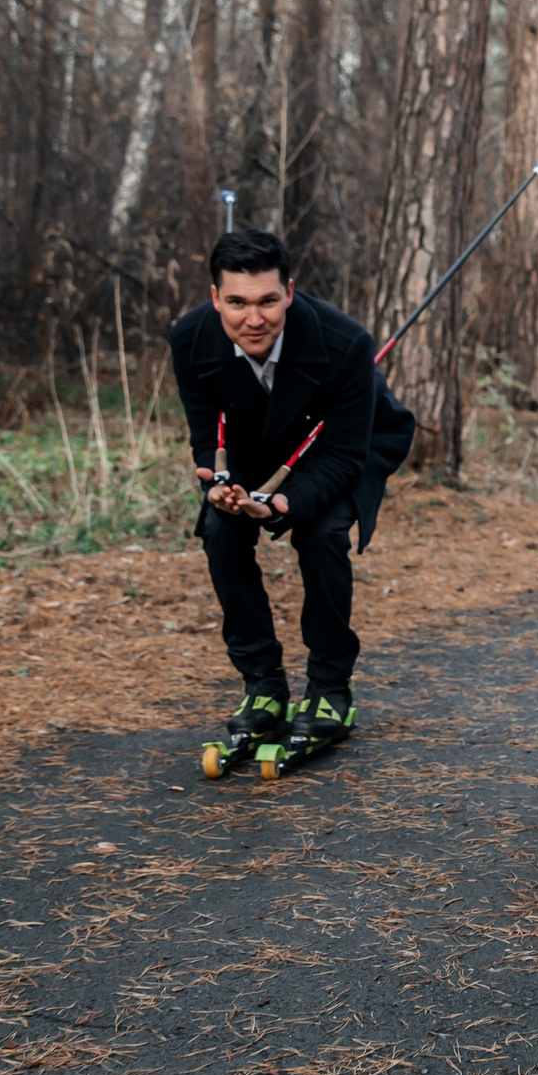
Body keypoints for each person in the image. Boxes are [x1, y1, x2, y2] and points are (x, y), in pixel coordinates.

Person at [168, 229, 415, 773]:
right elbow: (207, 431)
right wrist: (219, 480)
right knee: (220, 531)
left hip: (342, 446)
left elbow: (345, 455)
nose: (252, 319)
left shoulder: (345, 342)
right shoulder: (189, 337)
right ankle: (263, 686)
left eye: (267, 301)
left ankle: (330, 688)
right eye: (236, 303)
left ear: (290, 292)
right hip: (256, 447)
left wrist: (281, 506)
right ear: (215, 298)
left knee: (322, 534)